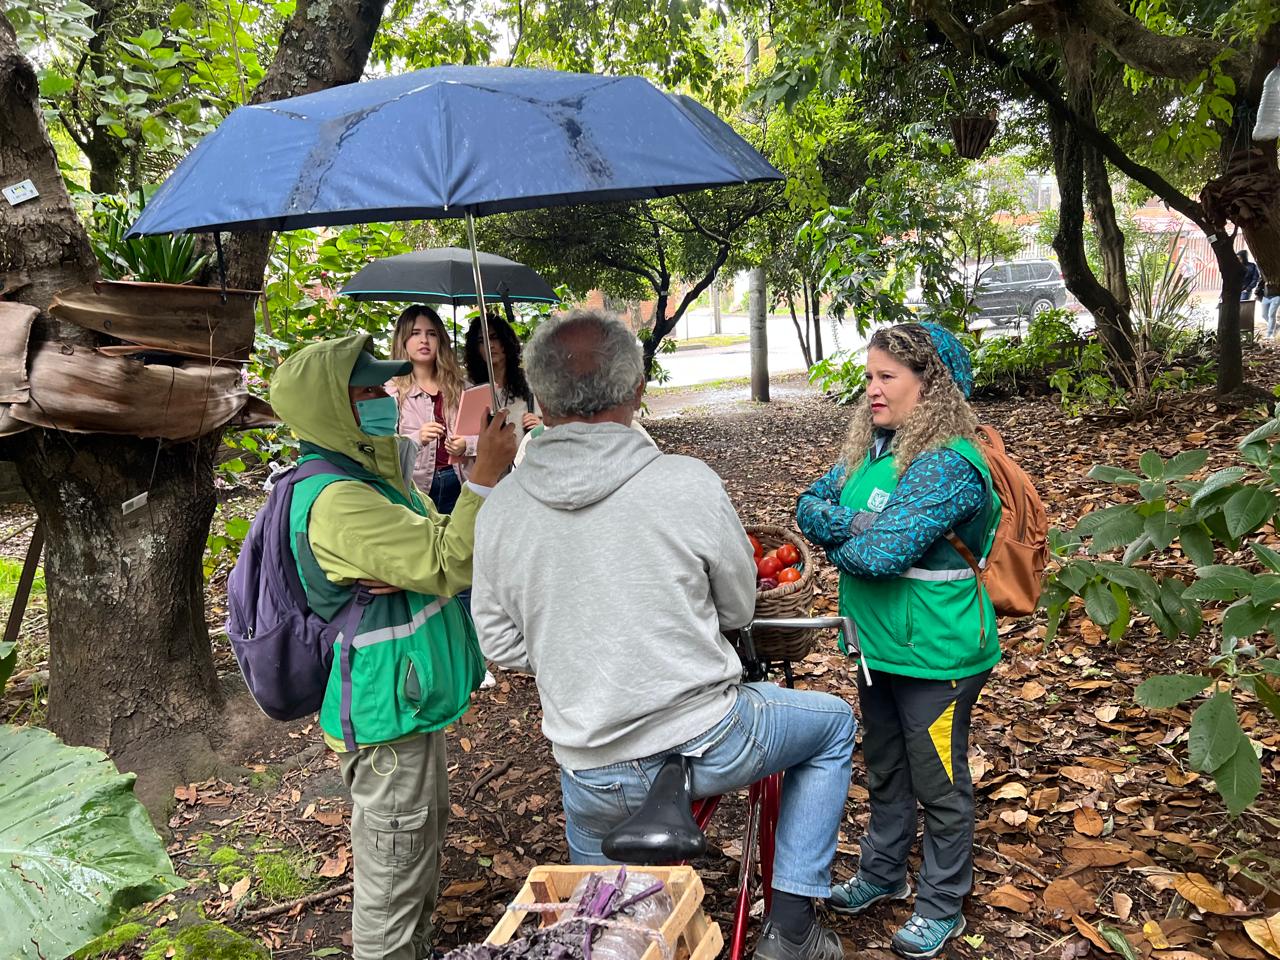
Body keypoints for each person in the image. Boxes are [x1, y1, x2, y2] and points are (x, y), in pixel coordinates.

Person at [472, 309, 857, 960]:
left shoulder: (501, 508)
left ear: (538, 398)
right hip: (710, 741)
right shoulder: (684, 483)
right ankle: (791, 930)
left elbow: (502, 646)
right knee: (832, 727)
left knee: (611, 930)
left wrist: (578, 644)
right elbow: (738, 605)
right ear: (637, 392)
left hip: (588, 767)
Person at [269, 334, 516, 960]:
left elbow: (434, 537)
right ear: (330, 407)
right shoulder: (339, 501)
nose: (384, 398)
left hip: (410, 703)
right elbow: (449, 558)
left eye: (384, 386)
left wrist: (429, 547)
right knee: (390, 893)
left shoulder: (372, 478)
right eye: (367, 390)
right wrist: (484, 478)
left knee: (418, 859)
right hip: (385, 717)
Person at [795, 322, 1001, 960]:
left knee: (938, 779)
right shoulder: (876, 447)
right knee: (885, 768)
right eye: (869, 377)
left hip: (937, 656)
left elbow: (882, 556)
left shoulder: (950, 464)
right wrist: (857, 523)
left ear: (931, 383)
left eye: (888, 377)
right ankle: (883, 875)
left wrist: (853, 532)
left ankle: (943, 904)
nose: (873, 390)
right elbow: (808, 504)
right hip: (878, 648)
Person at [388, 305, 469, 513]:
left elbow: (484, 434)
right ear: (403, 340)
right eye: (415, 333)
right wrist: (416, 438)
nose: (424, 340)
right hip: (414, 487)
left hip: (460, 481)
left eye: (431, 334)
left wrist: (466, 444)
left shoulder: (460, 386)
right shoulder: (391, 390)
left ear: (440, 340)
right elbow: (381, 448)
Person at [463, 311, 543, 441]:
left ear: (506, 340)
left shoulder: (529, 380)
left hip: (523, 458)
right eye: (481, 340)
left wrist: (539, 426)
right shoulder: (469, 386)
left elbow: (551, 426)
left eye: (494, 337)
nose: (489, 345)